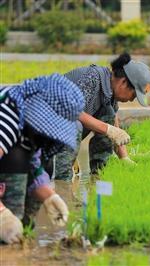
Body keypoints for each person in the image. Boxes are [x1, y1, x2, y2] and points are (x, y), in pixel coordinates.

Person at [0, 74, 85, 244]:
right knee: (16, 158)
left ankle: (20, 236)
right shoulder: (7, 114)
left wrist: (49, 197)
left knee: (38, 163)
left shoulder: (27, 126)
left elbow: (33, 167)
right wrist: (2, 214)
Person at [55, 52, 150, 181]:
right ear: (123, 82)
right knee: (78, 124)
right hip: (41, 132)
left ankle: (99, 174)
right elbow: (72, 111)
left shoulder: (110, 93)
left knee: (108, 117)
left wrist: (124, 157)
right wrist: (107, 129)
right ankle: (61, 183)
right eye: (133, 95)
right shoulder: (92, 78)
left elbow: (113, 122)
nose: (131, 100)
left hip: (59, 134)